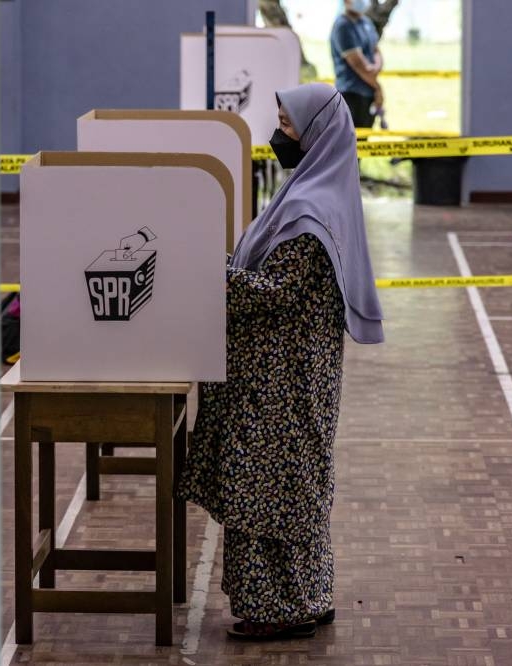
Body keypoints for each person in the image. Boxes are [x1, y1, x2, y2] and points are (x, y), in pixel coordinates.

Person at [178, 83, 384, 641]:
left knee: (267, 488)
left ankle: (277, 610)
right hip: (281, 375)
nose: (279, 136)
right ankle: (306, 597)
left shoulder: (313, 210)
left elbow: (276, 293)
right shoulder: (310, 192)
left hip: (283, 383)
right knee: (294, 488)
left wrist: (206, 268)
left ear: (315, 134)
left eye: (288, 127)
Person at [331, 0, 384, 129]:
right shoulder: (343, 26)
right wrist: (378, 88)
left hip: (367, 92)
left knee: (364, 143)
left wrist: (376, 67)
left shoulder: (366, 22)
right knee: (351, 142)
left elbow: (376, 50)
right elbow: (359, 65)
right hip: (350, 94)